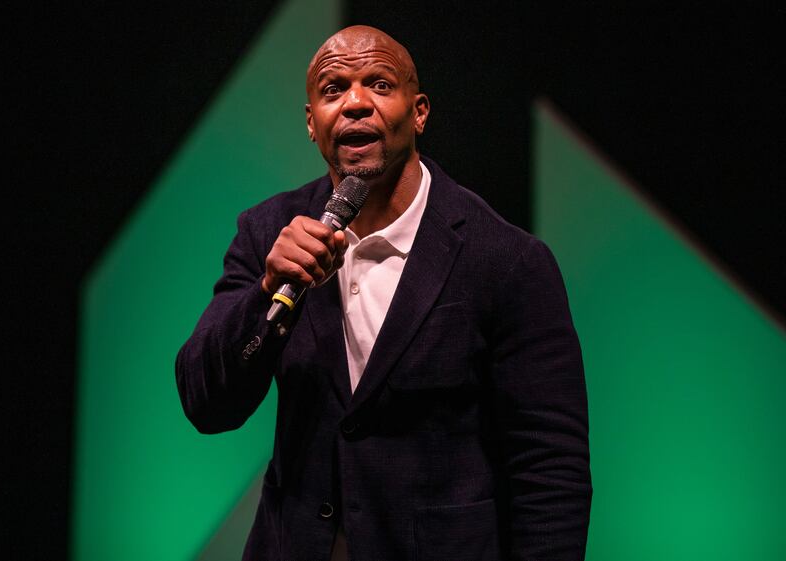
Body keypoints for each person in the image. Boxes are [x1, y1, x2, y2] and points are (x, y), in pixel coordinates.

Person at [176, 25, 592, 561]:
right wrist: (267, 292)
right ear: (311, 123)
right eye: (332, 90)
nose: (354, 104)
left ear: (418, 112)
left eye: (378, 84)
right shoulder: (268, 232)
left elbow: (549, 465)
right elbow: (206, 404)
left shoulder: (505, 260)